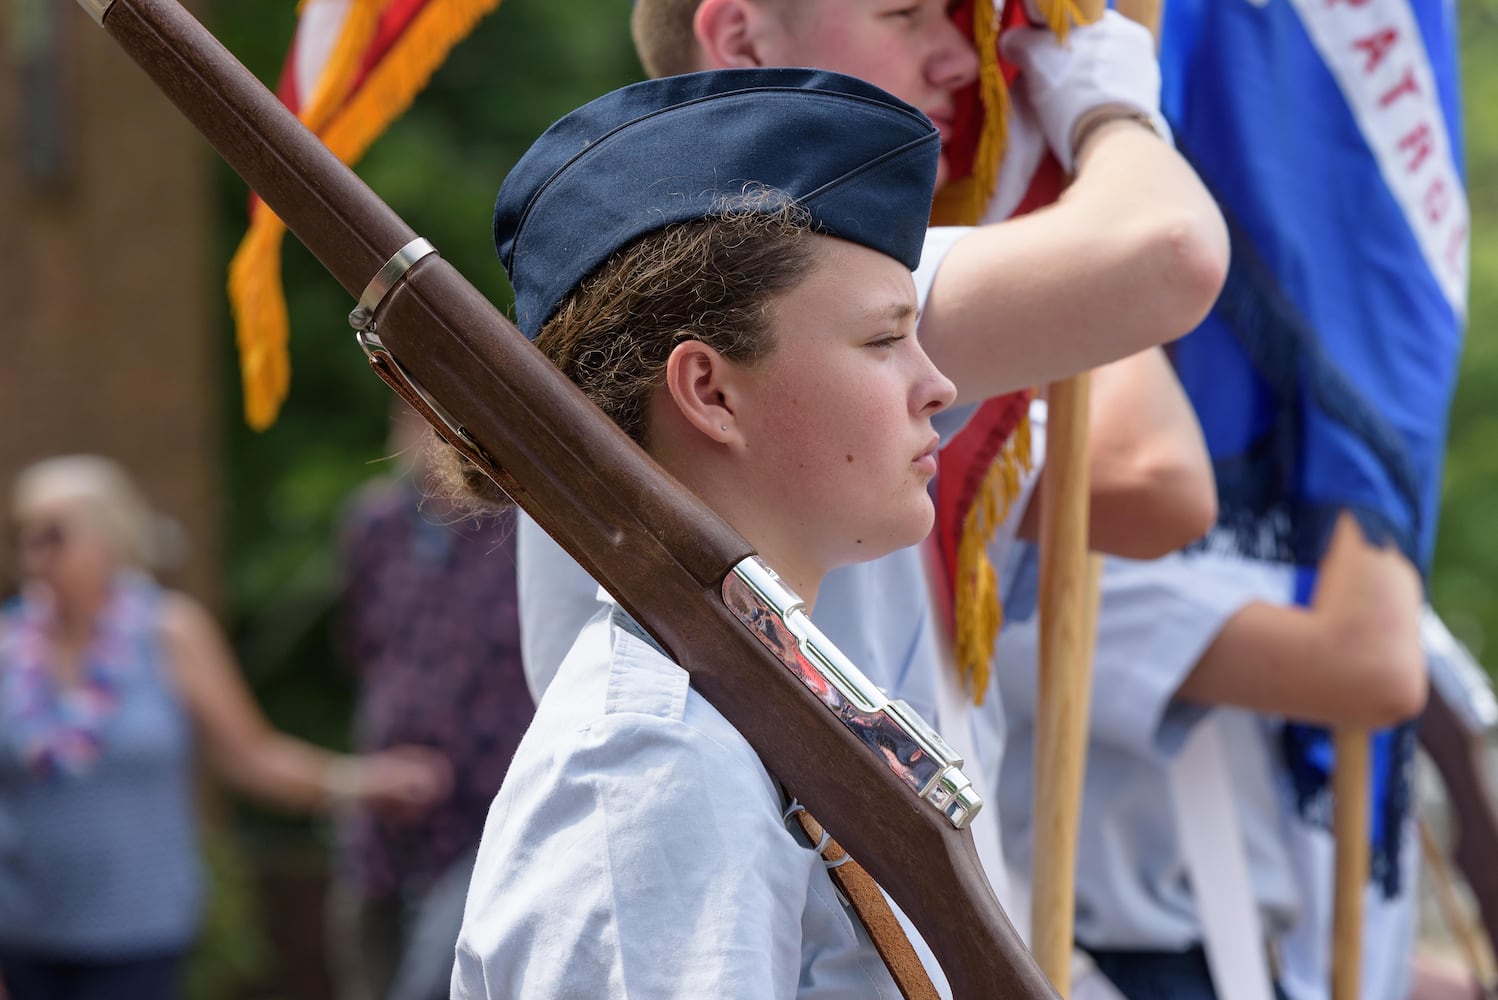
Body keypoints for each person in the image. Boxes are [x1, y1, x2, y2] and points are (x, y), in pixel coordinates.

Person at [447, 66, 1031, 997]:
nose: (937, 385)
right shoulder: (654, 764)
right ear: (710, 392)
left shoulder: (744, 708)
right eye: (884, 342)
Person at [0, 455, 450, 1000]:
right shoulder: (9, 647)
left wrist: (360, 782)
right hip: (20, 928)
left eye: (53, 535)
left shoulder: (169, 632)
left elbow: (250, 756)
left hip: (137, 931)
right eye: (23, 536)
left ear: (108, 537)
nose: (34, 554)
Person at [328, 405, 535, 1000]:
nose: (424, 432)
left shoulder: (525, 526)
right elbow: (361, 646)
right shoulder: (373, 524)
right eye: (410, 416)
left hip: (488, 817)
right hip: (382, 816)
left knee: (433, 984)